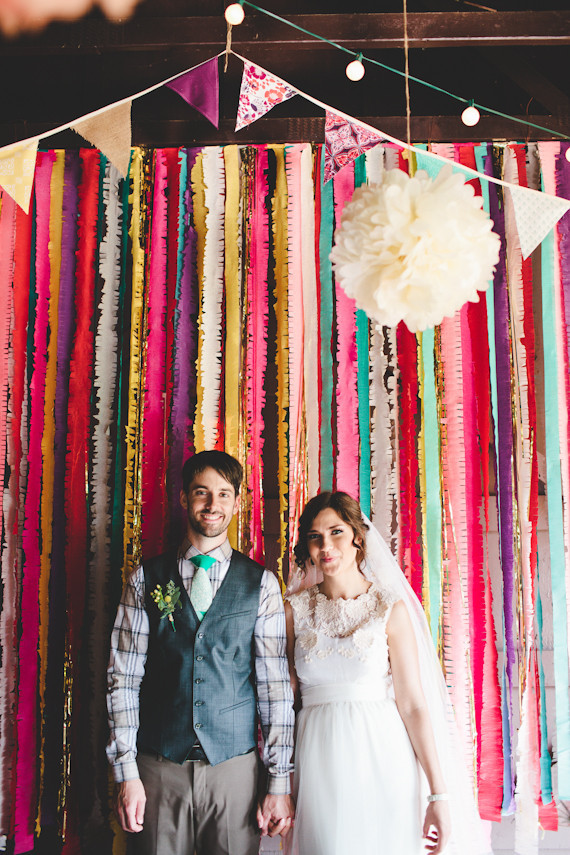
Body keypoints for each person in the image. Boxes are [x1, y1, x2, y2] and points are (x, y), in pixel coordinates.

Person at [106, 450, 295, 855]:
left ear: (237, 502)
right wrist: (127, 773)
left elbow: (275, 689)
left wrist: (278, 781)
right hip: (157, 768)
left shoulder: (261, 584)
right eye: (202, 493)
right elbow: (122, 681)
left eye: (224, 494)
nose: (213, 505)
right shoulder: (145, 579)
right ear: (183, 498)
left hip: (235, 772)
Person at [284, 491, 491, 855]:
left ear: (357, 538)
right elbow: (284, 701)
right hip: (317, 758)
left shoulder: (388, 608)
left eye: (336, 532)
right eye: (315, 536)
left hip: (384, 754)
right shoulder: (293, 610)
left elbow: (413, 705)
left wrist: (438, 795)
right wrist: (280, 783)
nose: (326, 545)